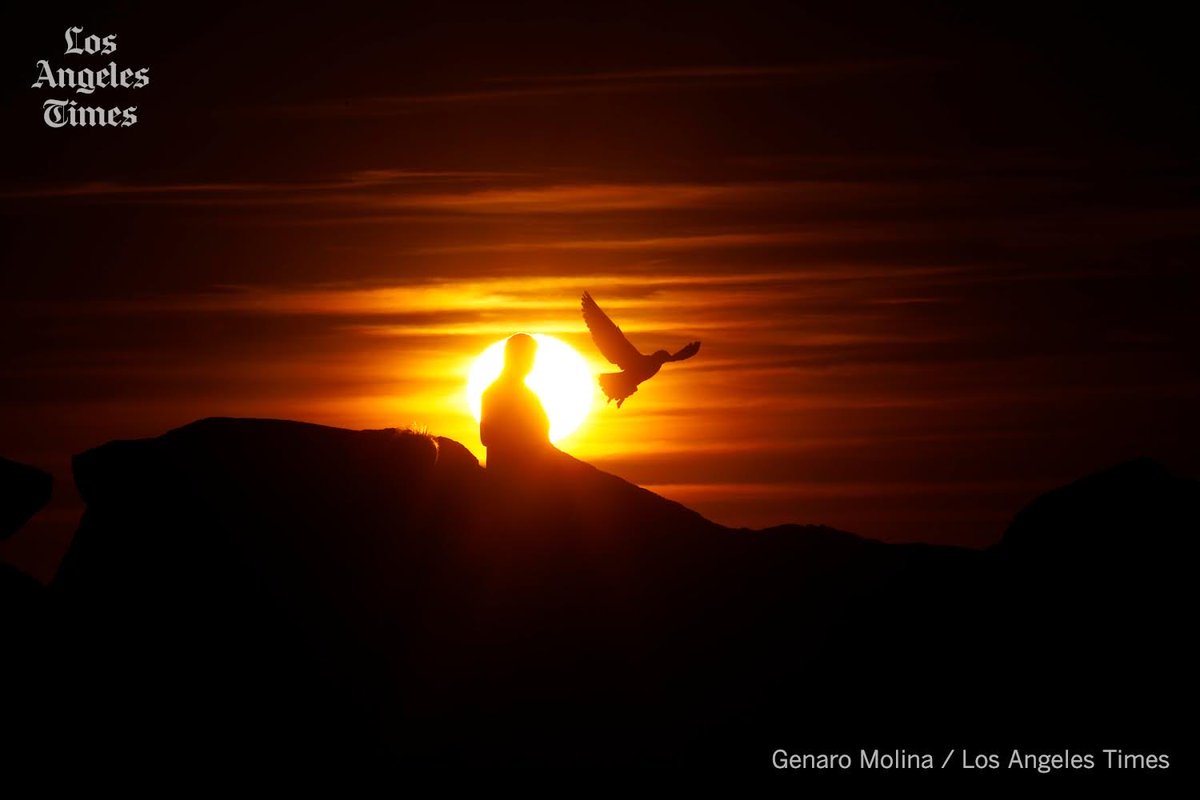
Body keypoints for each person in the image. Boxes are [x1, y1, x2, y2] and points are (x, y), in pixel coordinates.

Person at [480, 333, 550, 473]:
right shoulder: (495, 393)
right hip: (514, 477)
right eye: (529, 357)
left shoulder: (529, 396)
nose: (532, 363)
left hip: (534, 474)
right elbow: (487, 437)